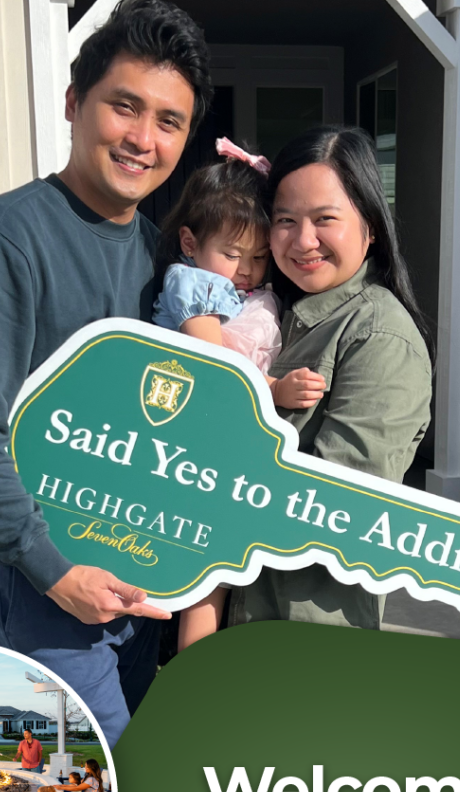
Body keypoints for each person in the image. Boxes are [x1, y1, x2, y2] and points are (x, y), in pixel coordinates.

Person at [0, 0, 213, 748]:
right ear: (73, 104)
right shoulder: (6, 240)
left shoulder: (158, 255)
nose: (142, 139)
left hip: (136, 589)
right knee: (110, 788)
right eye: (125, 107)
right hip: (48, 589)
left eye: (168, 121)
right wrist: (57, 572)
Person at [231, 125, 434, 630]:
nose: (303, 241)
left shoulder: (379, 335)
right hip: (243, 608)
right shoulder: (270, 315)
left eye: (325, 219)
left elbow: (345, 505)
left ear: (369, 228)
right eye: (285, 220)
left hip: (308, 621)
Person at [152, 141, 327, 649]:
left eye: (257, 256)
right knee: (206, 574)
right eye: (231, 254)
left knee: (217, 572)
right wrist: (272, 389)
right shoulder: (194, 284)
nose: (246, 268)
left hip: (227, 447)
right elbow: (215, 366)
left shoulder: (249, 293)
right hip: (195, 441)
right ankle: (189, 677)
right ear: (189, 241)